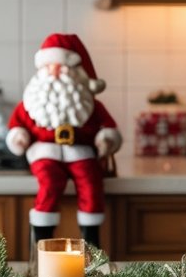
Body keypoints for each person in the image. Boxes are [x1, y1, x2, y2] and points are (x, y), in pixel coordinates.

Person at [6, 33, 122, 248]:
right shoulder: (32, 101)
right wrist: (18, 137)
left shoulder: (89, 104)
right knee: (49, 183)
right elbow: (17, 125)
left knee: (91, 182)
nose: (55, 71)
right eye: (49, 66)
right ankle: (42, 242)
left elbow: (108, 127)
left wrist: (105, 139)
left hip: (81, 151)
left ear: (77, 71)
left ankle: (91, 243)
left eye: (62, 66)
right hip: (44, 152)